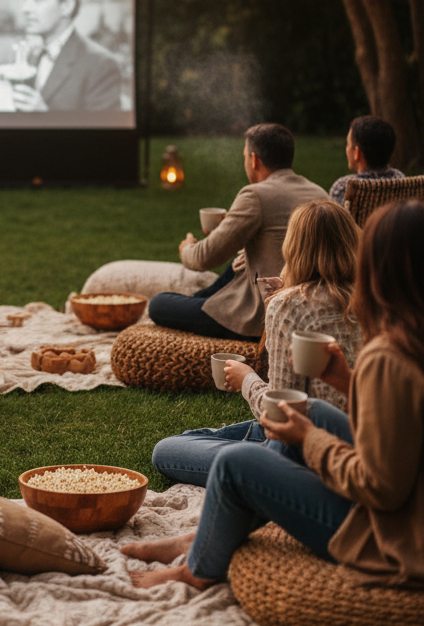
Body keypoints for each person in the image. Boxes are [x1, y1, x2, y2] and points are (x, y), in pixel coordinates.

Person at [125, 200, 424, 591]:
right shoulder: (408, 339)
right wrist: (347, 383)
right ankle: (199, 539)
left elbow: (382, 487)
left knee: (238, 461)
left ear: (379, 269)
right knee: (311, 410)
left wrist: (308, 439)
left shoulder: (388, 354)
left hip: (392, 536)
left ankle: (197, 569)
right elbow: (403, 422)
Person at [151, 200, 362, 479]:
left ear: (294, 247)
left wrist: (246, 379)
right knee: (196, 437)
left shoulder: (289, 306)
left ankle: (254, 472)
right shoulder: (371, 300)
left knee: (167, 450)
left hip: (301, 451)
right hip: (360, 439)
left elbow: (281, 414)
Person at [148, 124, 328, 340]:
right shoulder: (320, 193)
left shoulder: (255, 195)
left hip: (262, 315)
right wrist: (229, 228)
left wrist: (186, 249)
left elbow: (205, 257)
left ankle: (197, 304)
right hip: (310, 309)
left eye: (245, 157)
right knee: (231, 271)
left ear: (254, 160)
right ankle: (199, 301)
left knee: (158, 304)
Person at [10, 0, 121, 112]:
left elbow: (103, 135)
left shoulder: (101, 65)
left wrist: (44, 116)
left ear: (67, 5)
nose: (25, 8)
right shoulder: (31, 56)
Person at [329, 115, 404, 206]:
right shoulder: (401, 180)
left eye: (348, 144)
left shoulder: (343, 188)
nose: (347, 149)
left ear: (357, 153)